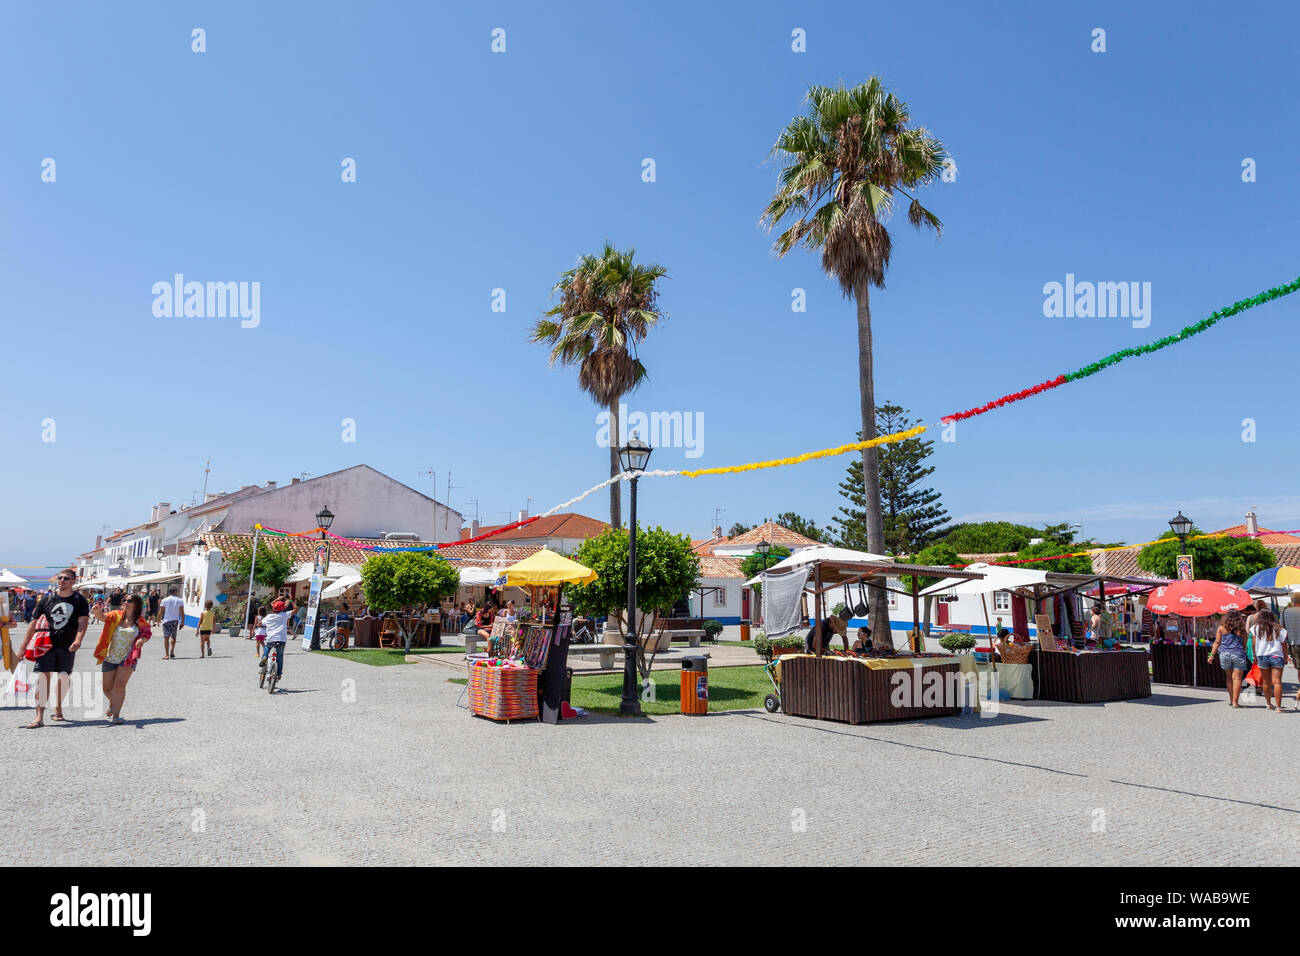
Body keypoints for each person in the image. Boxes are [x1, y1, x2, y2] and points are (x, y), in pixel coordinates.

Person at [20, 569, 90, 728]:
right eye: (60, 578)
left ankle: (58, 708)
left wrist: (78, 640)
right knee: (43, 679)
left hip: (67, 646)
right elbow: (33, 624)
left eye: (66, 578)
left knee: (64, 678)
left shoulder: (79, 600)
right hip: (46, 644)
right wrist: (23, 648)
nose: (62, 581)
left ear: (74, 581)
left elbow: (83, 623)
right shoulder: (47, 599)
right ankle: (39, 716)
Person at [94, 594, 151, 724]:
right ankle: (113, 703)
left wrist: (142, 640)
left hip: (128, 658)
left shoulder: (141, 621)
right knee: (107, 688)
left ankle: (116, 715)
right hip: (109, 656)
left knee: (119, 686)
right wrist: (97, 612)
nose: (125, 602)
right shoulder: (115, 615)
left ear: (136, 604)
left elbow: (147, 633)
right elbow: (103, 617)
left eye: (129, 600)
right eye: (124, 600)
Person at [1208, 610, 1250, 708]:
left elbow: (1217, 643)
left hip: (1224, 654)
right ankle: (1235, 702)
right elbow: (1245, 643)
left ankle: (1231, 700)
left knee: (1229, 677)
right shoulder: (1241, 629)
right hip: (1238, 654)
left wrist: (1211, 655)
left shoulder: (1221, 628)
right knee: (1237, 678)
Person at [1249, 608, 1287, 711]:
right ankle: (1279, 707)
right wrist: (1286, 657)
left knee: (1266, 681)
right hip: (1277, 656)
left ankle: (1269, 704)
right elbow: (1284, 645)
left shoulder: (1256, 628)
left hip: (1262, 656)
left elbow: (1253, 643)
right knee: (1277, 682)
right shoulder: (1280, 629)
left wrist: (1254, 655)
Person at [259, 599, 291, 683]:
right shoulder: (285, 615)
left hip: (271, 639)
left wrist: (263, 626)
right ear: (283, 608)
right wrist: (291, 600)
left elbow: (260, 623)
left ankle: (265, 657)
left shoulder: (269, 616)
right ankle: (279, 673)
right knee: (279, 656)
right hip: (281, 640)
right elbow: (295, 609)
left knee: (267, 647)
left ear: (273, 609)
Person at [159, 586, 184, 659]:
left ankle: (166, 654)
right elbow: (182, 612)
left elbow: (161, 612)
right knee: (173, 636)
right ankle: (172, 651)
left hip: (166, 620)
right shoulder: (180, 600)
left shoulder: (164, 600)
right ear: (175, 592)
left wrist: (159, 620)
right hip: (175, 620)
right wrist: (182, 622)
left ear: (169, 592)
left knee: (166, 638)